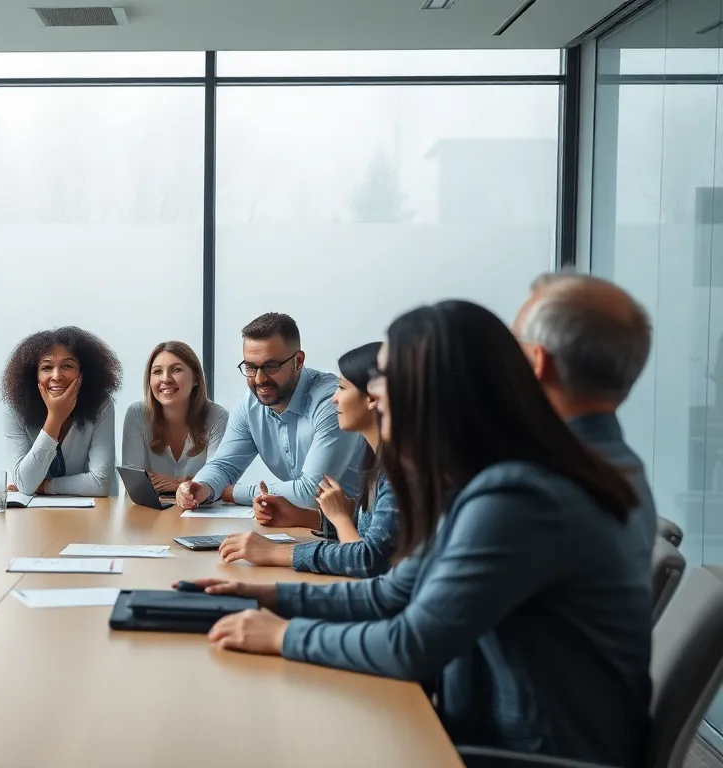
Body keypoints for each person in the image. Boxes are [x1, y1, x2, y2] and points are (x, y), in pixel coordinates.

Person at [193, 301, 651, 765]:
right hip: (500, 722)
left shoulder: (518, 490)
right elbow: (398, 590)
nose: (375, 394)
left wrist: (282, 637)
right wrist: (267, 596)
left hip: (520, 749)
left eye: (386, 378)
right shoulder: (516, 471)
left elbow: (409, 644)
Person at [217, 342, 397, 577]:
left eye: (342, 388)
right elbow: (371, 530)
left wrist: (274, 553)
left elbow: (367, 561)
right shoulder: (377, 462)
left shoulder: (401, 472)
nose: (334, 399)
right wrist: (301, 516)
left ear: (373, 398)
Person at [513, 272, 659, 556]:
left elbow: (430, 600)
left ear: (538, 361)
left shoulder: (531, 490)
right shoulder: (627, 471)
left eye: (514, 344)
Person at [177, 313, 365, 528]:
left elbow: (311, 493)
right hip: (307, 528)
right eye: (250, 367)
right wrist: (203, 487)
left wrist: (233, 493)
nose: (259, 379)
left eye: (270, 367)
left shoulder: (333, 402)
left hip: (362, 531)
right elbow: (224, 465)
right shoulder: (250, 405)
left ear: (298, 361)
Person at [2, 327, 122, 496]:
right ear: (33, 374)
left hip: (95, 514)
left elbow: (100, 483)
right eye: (46, 368)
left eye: (67, 366)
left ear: (83, 372)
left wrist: (44, 486)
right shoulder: (15, 410)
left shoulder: (101, 406)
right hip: (37, 516)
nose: (56, 376)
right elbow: (25, 484)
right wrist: (55, 418)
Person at [120, 341, 228, 494]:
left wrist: (177, 484)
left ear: (196, 379)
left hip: (199, 513)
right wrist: (194, 481)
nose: (166, 379)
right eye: (157, 372)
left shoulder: (218, 417)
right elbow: (135, 482)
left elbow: (218, 480)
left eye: (176, 370)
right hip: (149, 513)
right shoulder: (137, 414)